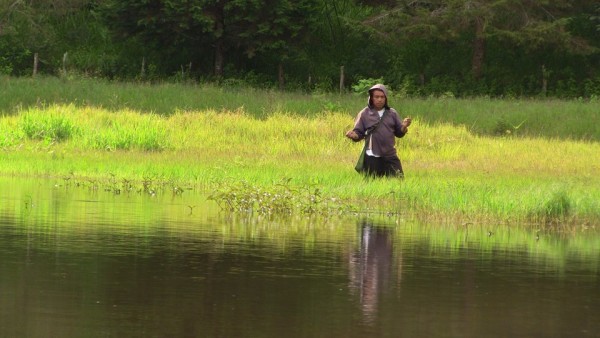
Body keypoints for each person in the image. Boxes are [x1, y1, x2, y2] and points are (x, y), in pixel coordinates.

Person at [345, 84, 412, 177]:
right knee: (373, 185)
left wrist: (404, 127)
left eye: (382, 97)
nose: (380, 99)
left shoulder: (392, 113)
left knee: (399, 182)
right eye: (376, 97)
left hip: (390, 155)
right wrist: (353, 135)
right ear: (371, 98)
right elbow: (359, 134)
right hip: (372, 156)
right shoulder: (364, 113)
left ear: (386, 98)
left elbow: (399, 133)